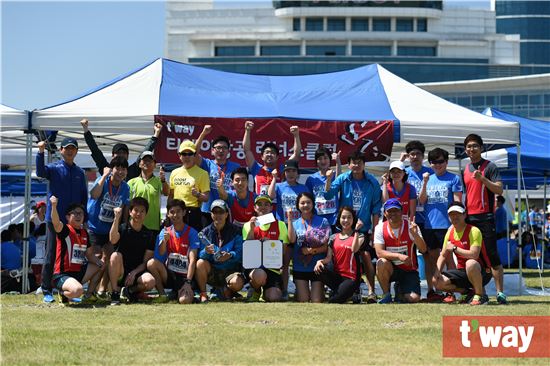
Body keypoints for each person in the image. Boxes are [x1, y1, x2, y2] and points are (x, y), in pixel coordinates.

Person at [323, 150, 381, 301]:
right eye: (353, 162)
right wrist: (328, 179)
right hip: (344, 229)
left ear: (364, 164)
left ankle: (371, 291)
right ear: (348, 165)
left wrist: (374, 231)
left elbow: (376, 208)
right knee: (338, 257)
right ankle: (344, 288)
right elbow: (328, 195)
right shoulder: (342, 178)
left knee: (366, 255)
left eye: (359, 162)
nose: (356, 165)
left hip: (363, 229)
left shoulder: (372, 181)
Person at [36, 137, 88, 303]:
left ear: (77, 151)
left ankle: (65, 289)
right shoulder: (54, 168)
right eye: (67, 148)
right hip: (55, 219)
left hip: (73, 222)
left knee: (71, 257)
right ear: (60, 150)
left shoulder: (80, 173)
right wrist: (41, 152)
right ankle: (46, 289)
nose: (70, 151)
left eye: (73, 148)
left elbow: (83, 198)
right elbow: (40, 172)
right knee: (51, 253)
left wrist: (83, 218)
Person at [462, 133, 507, 304]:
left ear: (481, 148)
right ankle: (480, 292)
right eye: (468, 146)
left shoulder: (490, 166)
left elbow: (499, 190)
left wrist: (483, 179)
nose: (471, 149)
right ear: (465, 150)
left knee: (492, 255)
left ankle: (500, 293)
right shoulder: (465, 169)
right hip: (470, 218)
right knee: (476, 257)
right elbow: (467, 194)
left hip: (486, 217)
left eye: (475, 145)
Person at [418, 147, 462, 302]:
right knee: (431, 258)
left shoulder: (454, 179)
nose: (437, 165)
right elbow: (422, 201)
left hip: (447, 226)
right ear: (430, 164)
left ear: (446, 162)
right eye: (433, 162)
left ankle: (451, 290)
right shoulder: (428, 179)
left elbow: (458, 202)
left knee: (449, 258)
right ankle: (432, 290)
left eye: (440, 161)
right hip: (429, 224)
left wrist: (456, 224)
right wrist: (424, 182)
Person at [87, 156, 130, 299]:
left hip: (110, 230)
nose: (120, 172)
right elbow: (93, 195)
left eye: (123, 169)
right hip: (94, 227)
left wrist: (122, 226)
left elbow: (124, 207)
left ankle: (102, 290)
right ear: (112, 169)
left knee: (110, 259)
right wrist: (104, 175)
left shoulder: (125, 187)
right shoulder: (103, 180)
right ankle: (89, 291)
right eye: (117, 168)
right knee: (97, 259)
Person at [432, 202, 492, 305]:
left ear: (464, 215)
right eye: (452, 214)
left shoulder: (474, 230)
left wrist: (455, 248)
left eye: (458, 214)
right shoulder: (450, 232)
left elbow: (474, 255)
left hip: (482, 271)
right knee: (437, 282)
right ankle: (468, 293)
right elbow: (442, 255)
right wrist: (437, 273)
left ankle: (480, 296)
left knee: (470, 263)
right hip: (462, 271)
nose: (454, 217)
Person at [49, 196, 102, 303]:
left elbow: (90, 255)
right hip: (62, 274)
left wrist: (101, 263)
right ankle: (63, 294)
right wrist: (54, 206)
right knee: (78, 290)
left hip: (78, 272)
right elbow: (55, 222)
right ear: (68, 217)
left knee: (100, 265)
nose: (78, 216)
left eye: (81, 213)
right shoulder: (64, 229)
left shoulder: (85, 233)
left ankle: (89, 295)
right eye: (75, 213)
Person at [374, 199, 427, 304]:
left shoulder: (411, 226)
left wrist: (415, 235)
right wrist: (399, 256)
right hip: (391, 267)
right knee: (381, 262)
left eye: (396, 210)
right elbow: (379, 252)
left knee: (414, 298)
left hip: (409, 270)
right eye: (390, 211)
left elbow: (423, 249)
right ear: (385, 213)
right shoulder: (380, 228)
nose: (393, 214)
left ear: (402, 212)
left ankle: (400, 290)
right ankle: (386, 295)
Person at [147, 199, 200, 304]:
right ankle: (163, 295)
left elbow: (193, 260)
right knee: (151, 263)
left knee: (184, 301)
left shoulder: (192, 233)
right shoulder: (165, 232)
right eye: (172, 212)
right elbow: (160, 255)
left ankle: (187, 292)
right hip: (169, 275)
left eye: (178, 211)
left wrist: (188, 282)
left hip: (185, 277)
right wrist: (164, 241)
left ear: (184, 212)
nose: (175, 215)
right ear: (167, 214)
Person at [109, 197, 156, 305]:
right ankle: (115, 292)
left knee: (150, 282)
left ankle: (129, 291)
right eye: (136, 210)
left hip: (137, 273)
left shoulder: (149, 234)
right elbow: (112, 240)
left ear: (146, 214)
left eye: (142, 211)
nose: (138, 213)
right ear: (130, 212)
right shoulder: (123, 228)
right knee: (115, 255)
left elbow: (146, 262)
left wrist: (134, 273)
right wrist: (116, 218)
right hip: (120, 271)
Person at [242, 194, 290, 302]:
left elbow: (283, 251)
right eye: (259, 204)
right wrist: (252, 229)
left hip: (273, 268)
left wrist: (270, 245)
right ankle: (256, 289)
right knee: (259, 275)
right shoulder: (247, 225)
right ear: (254, 208)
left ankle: (266, 292)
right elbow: (247, 251)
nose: (263, 207)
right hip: (255, 268)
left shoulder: (281, 225)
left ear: (271, 207)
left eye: (266, 204)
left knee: (273, 297)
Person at [80, 118, 162, 181]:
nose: (121, 155)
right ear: (112, 155)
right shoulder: (106, 169)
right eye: (118, 152)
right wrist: (86, 130)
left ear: (128, 156)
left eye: (124, 153)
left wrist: (156, 134)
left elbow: (145, 152)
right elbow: (95, 150)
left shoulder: (132, 171)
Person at [195, 200, 244, 302]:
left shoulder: (237, 231)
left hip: (231, 270)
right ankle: (203, 294)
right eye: (215, 212)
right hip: (213, 271)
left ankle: (227, 290)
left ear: (226, 214)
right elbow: (199, 255)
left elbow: (240, 254)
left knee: (237, 283)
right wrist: (206, 252)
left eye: (221, 212)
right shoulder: (204, 232)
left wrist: (230, 255)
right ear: (211, 214)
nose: (218, 215)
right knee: (200, 263)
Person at [314, 206, 363, 303]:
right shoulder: (333, 237)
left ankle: (351, 291)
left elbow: (354, 249)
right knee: (319, 270)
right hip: (337, 276)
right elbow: (328, 258)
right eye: (343, 217)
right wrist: (319, 261)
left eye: (349, 217)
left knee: (333, 301)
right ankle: (344, 292)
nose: (346, 220)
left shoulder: (359, 236)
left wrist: (356, 230)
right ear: (339, 219)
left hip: (351, 278)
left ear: (354, 220)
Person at [194, 125, 241, 227]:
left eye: (224, 148)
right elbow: (194, 153)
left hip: (227, 210)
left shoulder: (235, 167)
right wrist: (203, 133)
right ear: (212, 150)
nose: (221, 150)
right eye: (218, 148)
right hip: (208, 211)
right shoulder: (207, 164)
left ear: (228, 151)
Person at [288, 192, 331, 303]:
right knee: (303, 300)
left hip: (317, 267)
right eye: (302, 203)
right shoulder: (295, 223)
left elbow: (327, 246)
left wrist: (312, 251)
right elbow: (292, 240)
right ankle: (300, 291)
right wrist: (289, 220)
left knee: (316, 301)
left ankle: (320, 291)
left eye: (308, 202)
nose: (305, 205)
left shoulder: (323, 222)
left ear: (313, 204)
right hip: (300, 266)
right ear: (298, 205)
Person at [243, 120, 302, 196]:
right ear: (262, 157)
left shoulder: (282, 169)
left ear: (277, 157)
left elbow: (296, 155)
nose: (270, 154)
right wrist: (247, 131)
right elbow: (246, 150)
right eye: (267, 152)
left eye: (273, 153)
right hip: (260, 206)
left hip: (278, 207)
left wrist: (296, 135)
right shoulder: (256, 168)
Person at [168, 140, 210, 231]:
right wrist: (168, 213)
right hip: (176, 212)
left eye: (190, 153)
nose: (187, 156)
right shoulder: (174, 172)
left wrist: (198, 195)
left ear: (195, 155)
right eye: (184, 153)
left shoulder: (203, 173)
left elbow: (206, 197)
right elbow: (171, 195)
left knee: (192, 243)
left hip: (192, 213)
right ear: (179, 156)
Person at [127, 151, 169, 233]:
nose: (147, 163)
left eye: (150, 161)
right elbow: (127, 205)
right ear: (139, 164)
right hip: (134, 225)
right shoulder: (131, 182)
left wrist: (163, 181)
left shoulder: (159, 181)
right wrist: (126, 223)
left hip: (152, 225)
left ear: (155, 165)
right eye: (144, 160)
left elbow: (166, 193)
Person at [305, 147, 341, 228]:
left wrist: (338, 162)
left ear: (330, 159)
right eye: (320, 159)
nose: (323, 161)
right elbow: (308, 199)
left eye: (325, 158)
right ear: (316, 161)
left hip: (334, 220)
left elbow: (339, 181)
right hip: (317, 220)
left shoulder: (334, 175)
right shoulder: (311, 179)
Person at [268, 159, 310, 224]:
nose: (291, 174)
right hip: (282, 224)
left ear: (297, 173)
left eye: (293, 171)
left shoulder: (304, 188)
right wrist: (274, 178)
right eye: (288, 171)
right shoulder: (279, 186)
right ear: (284, 173)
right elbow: (270, 197)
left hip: (299, 224)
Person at [1, 228, 38, 293]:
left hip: (6, 274)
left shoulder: (1, 247)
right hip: (17, 274)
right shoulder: (16, 247)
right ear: (10, 238)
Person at [30, 201, 47, 268]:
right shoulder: (33, 218)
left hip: (44, 241)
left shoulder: (46, 217)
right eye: (41, 208)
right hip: (35, 240)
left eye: (44, 208)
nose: (43, 209)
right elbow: (29, 229)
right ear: (38, 208)